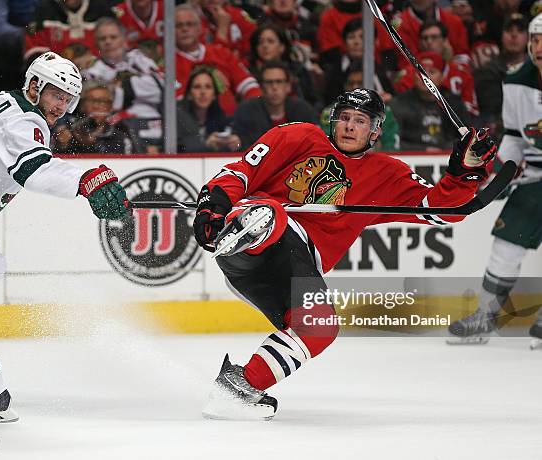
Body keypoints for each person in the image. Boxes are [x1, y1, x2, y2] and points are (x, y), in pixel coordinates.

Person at [192, 88, 496, 419]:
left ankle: (237, 387)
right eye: (345, 118)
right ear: (334, 120)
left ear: (376, 130)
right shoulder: (298, 135)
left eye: (360, 121)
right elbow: (241, 171)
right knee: (273, 215)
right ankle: (247, 229)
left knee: (319, 326)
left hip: (293, 265)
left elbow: (440, 210)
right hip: (264, 234)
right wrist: (215, 203)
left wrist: (464, 174)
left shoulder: (387, 174)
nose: (350, 126)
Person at [0, 52, 131, 422]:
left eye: (68, 100)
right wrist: (85, 181)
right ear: (35, 86)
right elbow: (32, 170)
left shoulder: (6, 105)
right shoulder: (23, 118)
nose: (62, 106)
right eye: (57, 95)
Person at [448, 13, 542, 347]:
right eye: (536, 39)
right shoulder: (516, 80)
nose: (540, 47)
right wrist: (503, 171)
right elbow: (517, 137)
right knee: (506, 243)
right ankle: (486, 316)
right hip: (536, 178)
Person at [175, 4, 261, 116]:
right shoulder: (168, 64)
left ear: (200, 29)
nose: (185, 29)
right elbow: (177, 104)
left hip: (230, 123)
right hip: (190, 126)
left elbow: (250, 86)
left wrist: (250, 111)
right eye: (179, 25)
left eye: (189, 24)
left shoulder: (221, 53)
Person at [83, 17, 163, 120]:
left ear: (124, 39)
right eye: (103, 39)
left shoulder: (140, 59)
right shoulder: (92, 71)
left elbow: (162, 88)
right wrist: (140, 87)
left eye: (113, 37)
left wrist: (123, 87)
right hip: (116, 125)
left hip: (155, 121)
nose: (108, 42)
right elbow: (105, 104)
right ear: (96, 44)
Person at [393, 20, 479, 116]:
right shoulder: (409, 73)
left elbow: (471, 112)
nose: (429, 42)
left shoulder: (462, 74)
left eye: (434, 37)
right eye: (425, 38)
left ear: (445, 41)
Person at [390, 51, 470, 151]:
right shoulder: (399, 103)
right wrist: (424, 150)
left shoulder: (454, 105)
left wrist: (445, 151)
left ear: (442, 77)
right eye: (421, 72)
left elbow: (467, 139)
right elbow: (392, 143)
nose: (425, 77)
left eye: (432, 72)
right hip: (410, 162)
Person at [232, 62, 317, 150]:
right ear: (261, 86)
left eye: (279, 82)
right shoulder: (246, 110)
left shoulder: (302, 109)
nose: (274, 87)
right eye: (269, 82)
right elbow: (240, 143)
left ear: (288, 86)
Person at [24, 0, 114, 62]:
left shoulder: (102, 10)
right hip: (58, 76)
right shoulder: (44, 12)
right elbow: (34, 54)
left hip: (99, 75)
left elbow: (116, 49)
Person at [177, 66, 238, 152]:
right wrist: (206, 145)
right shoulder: (178, 118)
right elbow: (179, 149)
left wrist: (236, 144)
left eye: (208, 87)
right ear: (189, 95)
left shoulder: (220, 118)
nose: (203, 92)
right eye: (197, 87)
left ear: (214, 95)